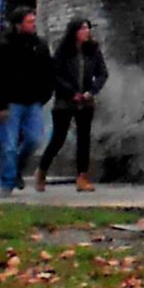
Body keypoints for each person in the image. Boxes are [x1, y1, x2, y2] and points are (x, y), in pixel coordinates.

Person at [0, 8, 55, 195]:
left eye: (34, 21)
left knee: (34, 139)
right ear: (18, 25)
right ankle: (7, 183)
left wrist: (44, 94)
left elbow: (48, 71)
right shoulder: (6, 46)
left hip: (33, 101)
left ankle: (17, 168)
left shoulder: (39, 45)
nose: (33, 25)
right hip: (11, 102)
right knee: (8, 145)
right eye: (29, 22)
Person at [38, 17, 108, 192]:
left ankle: (82, 177)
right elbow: (55, 75)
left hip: (86, 100)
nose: (87, 31)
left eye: (88, 28)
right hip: (65, 100)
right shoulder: (63, 51)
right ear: (74, 31)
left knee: (84, 139)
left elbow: (102, 73)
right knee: (58, 138)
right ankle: (42, 170)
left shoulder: (93, 50)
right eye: (82, 28)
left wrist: (91, 92)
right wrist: (71, 93)